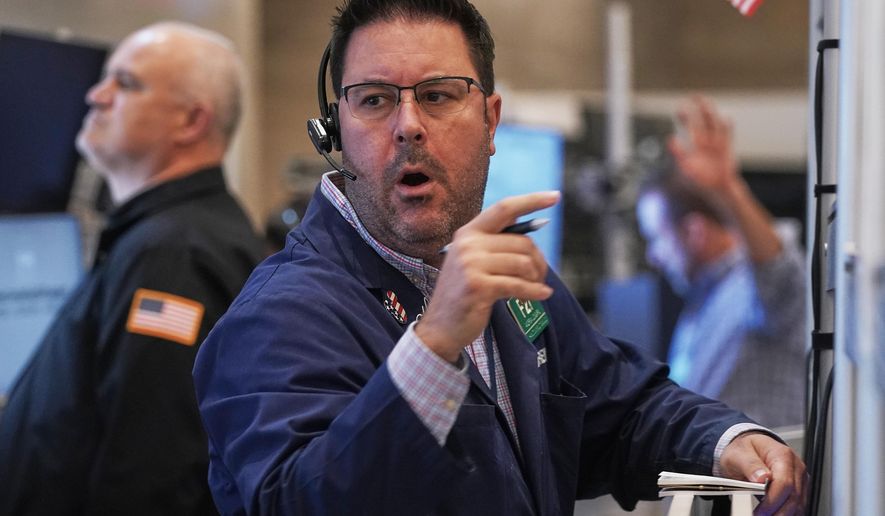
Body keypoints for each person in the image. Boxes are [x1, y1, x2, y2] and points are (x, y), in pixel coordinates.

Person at [193, 1, 807, 514]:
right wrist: (432, 348)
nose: (408, 125)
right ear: (335, 130)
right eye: (374, 100)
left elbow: (619, 407)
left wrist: (726, 440)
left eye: (437, 95)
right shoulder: (278, 318)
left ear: (490, 122)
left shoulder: (506, 277)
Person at [0, 22, 264, 515]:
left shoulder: (173, 255)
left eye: (125, 83)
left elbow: (153, 474)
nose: (95, 95)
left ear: (191, 121)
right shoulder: (165, 236)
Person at [636, 97, 807, 429]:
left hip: (764, 463)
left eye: (657, 238)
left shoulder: (749, 287)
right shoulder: (703, 299)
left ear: (695, 231)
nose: (653, 256)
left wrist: (729, 190)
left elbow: (781, 271)